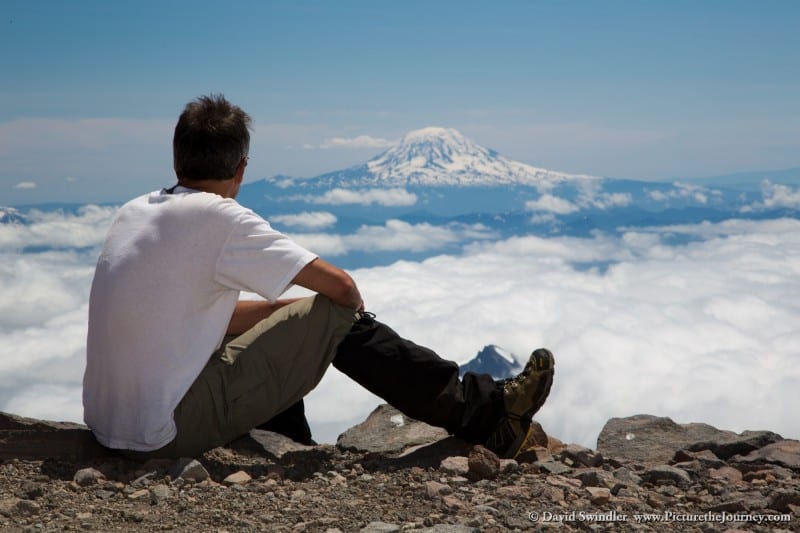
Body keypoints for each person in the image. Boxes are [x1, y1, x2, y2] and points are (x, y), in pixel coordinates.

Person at [82, 94, 555, 460]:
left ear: (176, 158)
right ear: (241, 167)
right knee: (334, 314)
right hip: (162, 434)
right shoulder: (222, 219)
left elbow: (202, 320)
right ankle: (486, 415)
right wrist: (326, 322)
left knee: (295, 324)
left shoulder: (134, 211)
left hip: (110, 425)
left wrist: (286, 319)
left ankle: (293, 446)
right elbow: (342, 289)